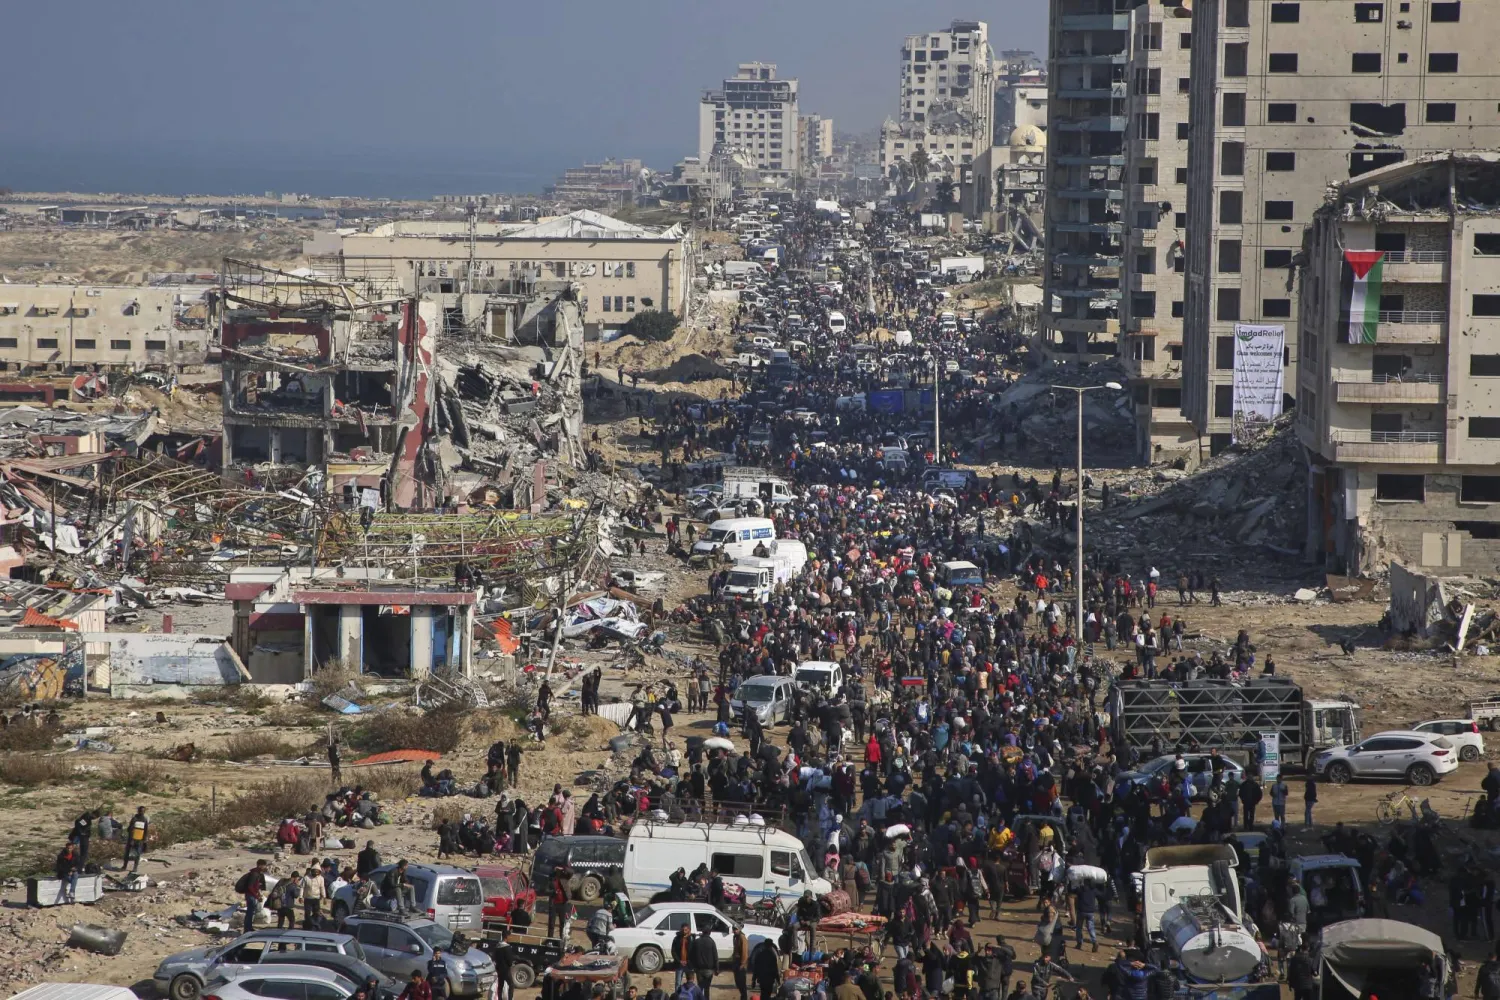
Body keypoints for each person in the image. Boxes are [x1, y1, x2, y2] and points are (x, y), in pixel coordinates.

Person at [238, 858, 270, 932]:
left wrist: (258, 893)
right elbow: (250, 887)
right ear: (260, 865)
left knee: (251, 912)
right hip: (250, 896)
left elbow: (256, 886)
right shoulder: (254, 874)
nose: (265, 867)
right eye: (264, 866)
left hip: (252, 895)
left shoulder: (257, 873)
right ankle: (247, 929)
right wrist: (256, 896)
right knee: (249, 913)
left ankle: (249, 928)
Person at [691, 925, 719, 992]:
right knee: (707, 989)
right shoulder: (711, 942)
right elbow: (715, 956)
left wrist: (693, 966)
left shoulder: (697, 941)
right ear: (709, 932)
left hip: (699, 969)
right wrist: (717, 969)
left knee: (700, 988)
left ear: (702, 932)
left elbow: (692, 955)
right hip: (709, 970)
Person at [123, 806, 149, 872]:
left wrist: (144, 839)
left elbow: (145, 830)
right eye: (141, 811)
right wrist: (131, 839)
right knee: (127, 853)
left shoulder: (145, 820)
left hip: (139, 840)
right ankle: (124, 866)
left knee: (137, 854)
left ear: (144, 812)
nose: (142, 812)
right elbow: (130, 829)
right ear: (138, 811)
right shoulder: (134, 819)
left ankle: (135, 868)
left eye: (143, 811)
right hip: (132, 839)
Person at [729, 924, 752, 1000]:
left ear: (739, 929)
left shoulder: (742, 938)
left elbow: (744, 952)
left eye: (735, 929)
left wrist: (742, 964)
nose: (734, 931)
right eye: (733, 929)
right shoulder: (735, 937)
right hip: (736, 962)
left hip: (740, 963)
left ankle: (744, 997)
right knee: (738, 982)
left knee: (741, 983)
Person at [302, 865, 327, 929]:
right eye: (314, 872)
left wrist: (324, 897)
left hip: (316, 899)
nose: (316, 873)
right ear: (312, 871)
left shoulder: (321, 879)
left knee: (316, 913)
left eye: (317, 872)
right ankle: (309, 925)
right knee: (307, 914)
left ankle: (314, 925)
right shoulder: (306, 878)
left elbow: (322, 888)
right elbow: (302, 888)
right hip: (308, 898)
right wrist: (300, 897)